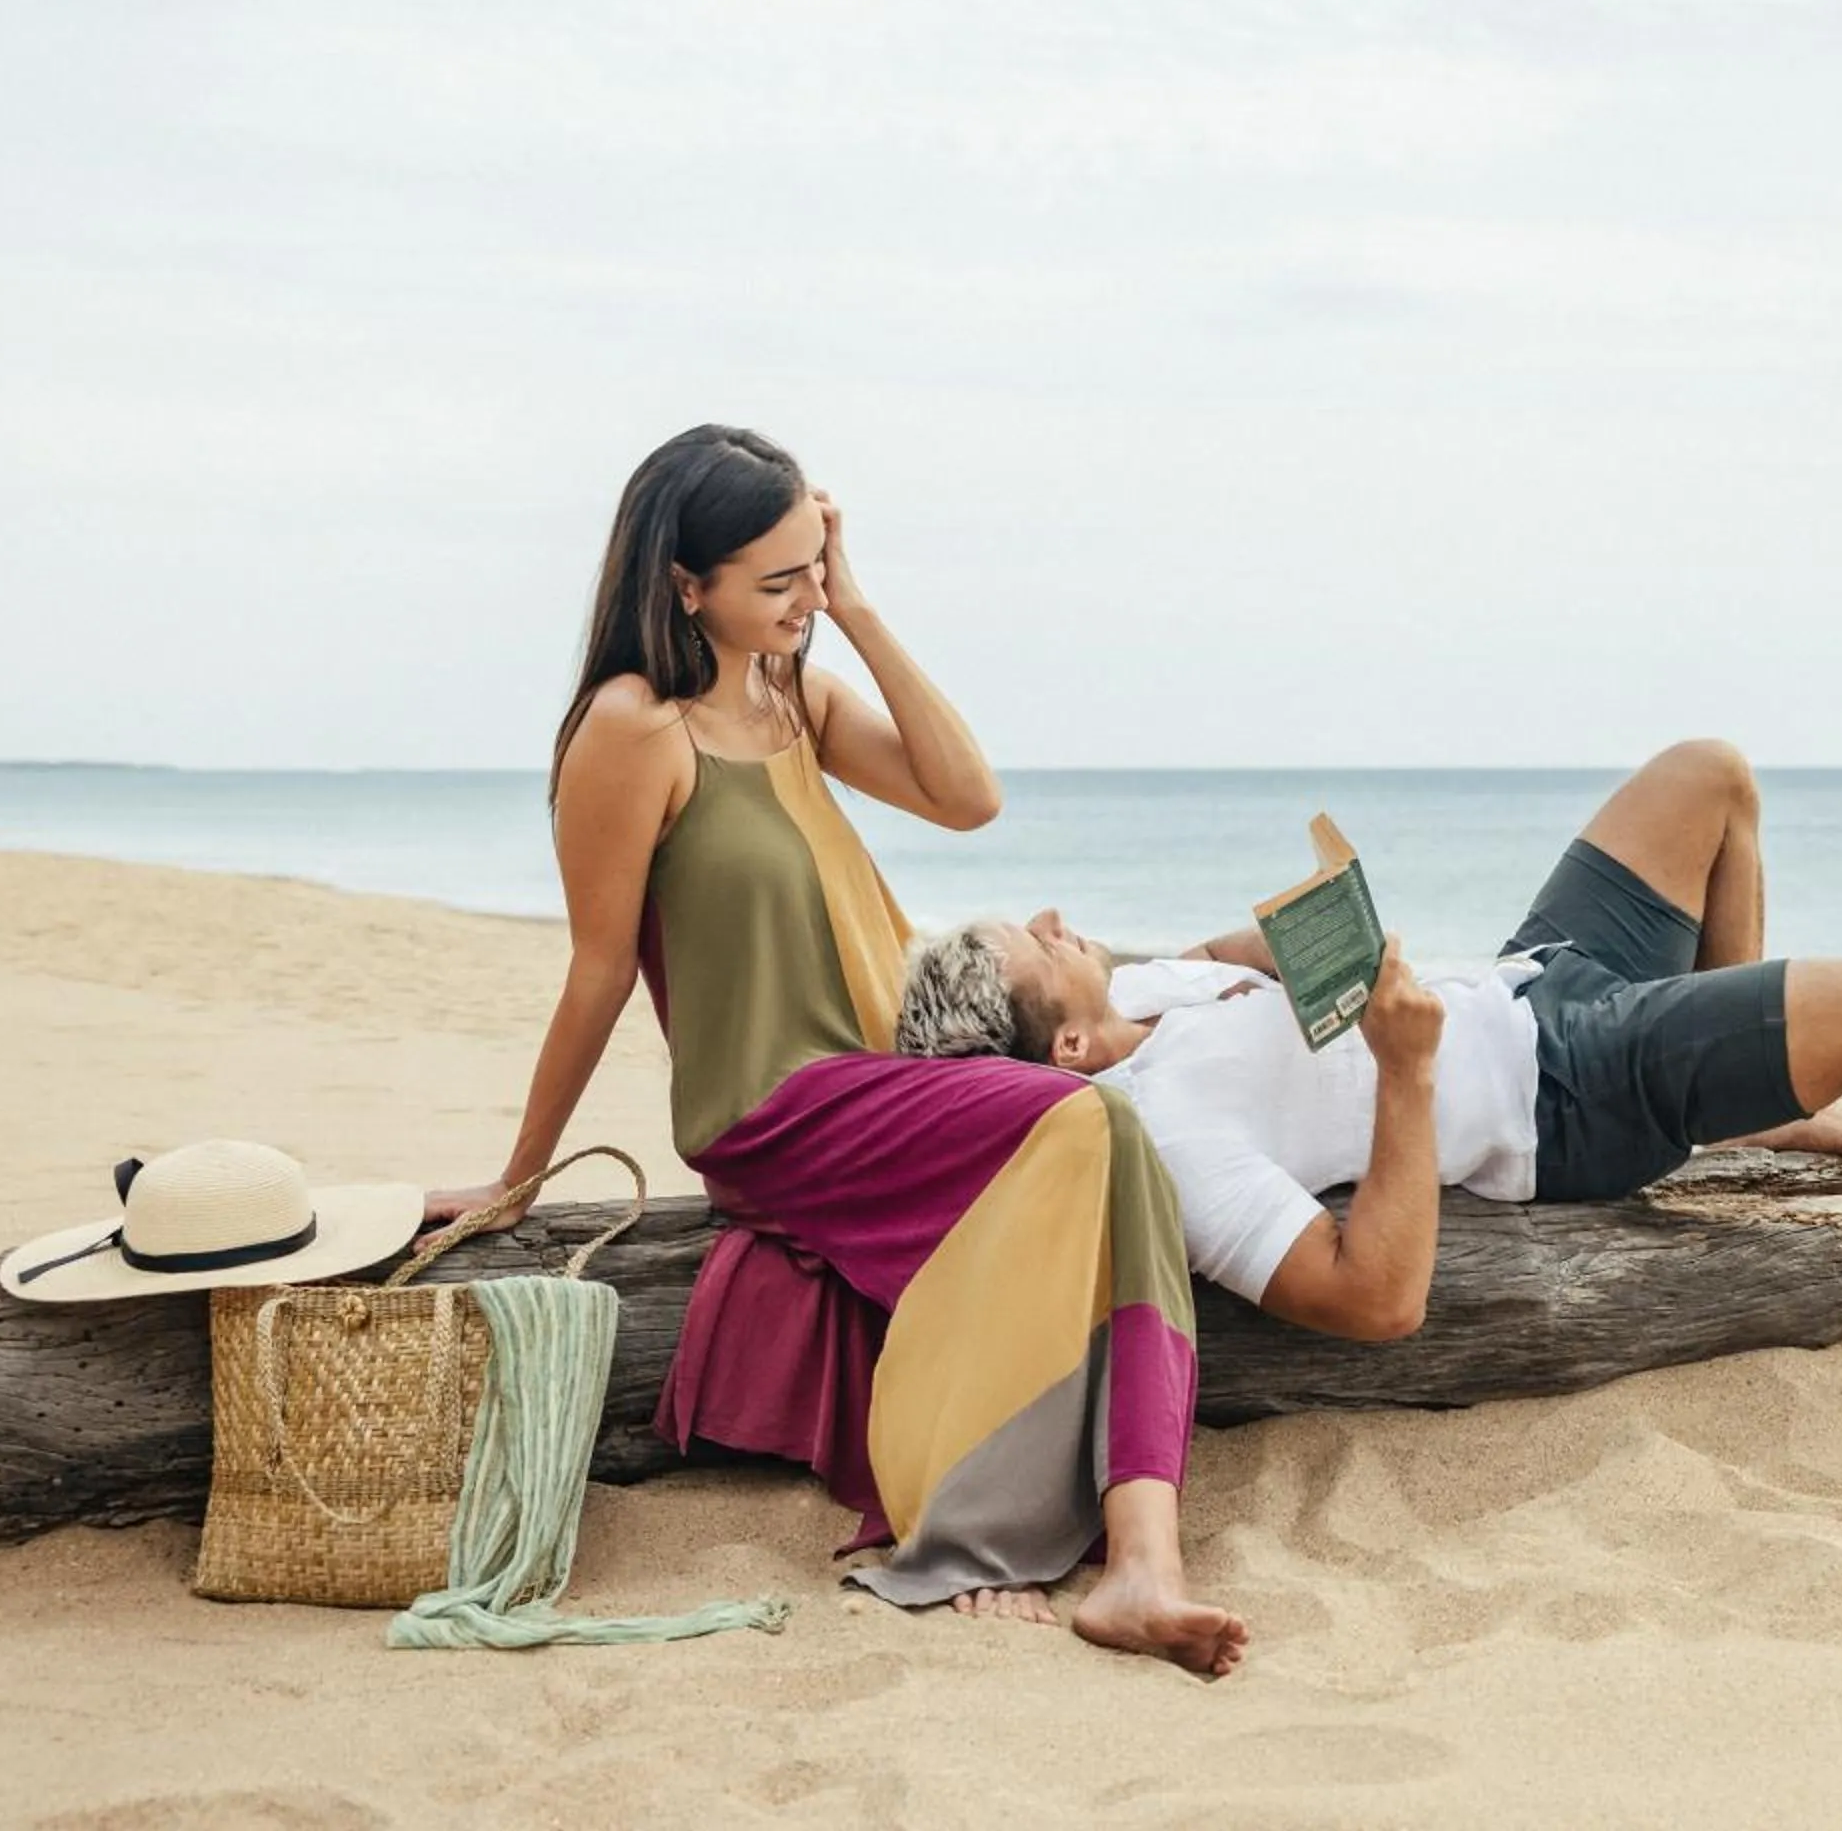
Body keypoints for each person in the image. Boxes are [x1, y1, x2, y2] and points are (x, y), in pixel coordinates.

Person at [421, 423, 1245, 1672]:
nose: (803, 599)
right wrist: (518, 1175)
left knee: (1115, 1146)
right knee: (1090, 1119)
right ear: (683, 582)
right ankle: (1040, 1535)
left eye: (816, 565)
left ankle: (1142, 1560)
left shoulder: (794, 695)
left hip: (883, 1083)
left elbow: (969, 798)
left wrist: (851, 610)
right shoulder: (634, 729)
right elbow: (596, 968)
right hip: (773, 1110)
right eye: (779, 581)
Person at [898, 740, 1842, 1450]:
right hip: (1566, 1090)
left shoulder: (1143, 991)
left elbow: (1233, 960)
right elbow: (1372, 1297)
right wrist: (1404, 1068)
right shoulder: (1163, 1133)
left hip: (1537, 974)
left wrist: (1311, 935)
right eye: (1036, 939)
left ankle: (1742, 1103)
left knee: (1710, 775)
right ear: (1062, 1046)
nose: (1059, 919)